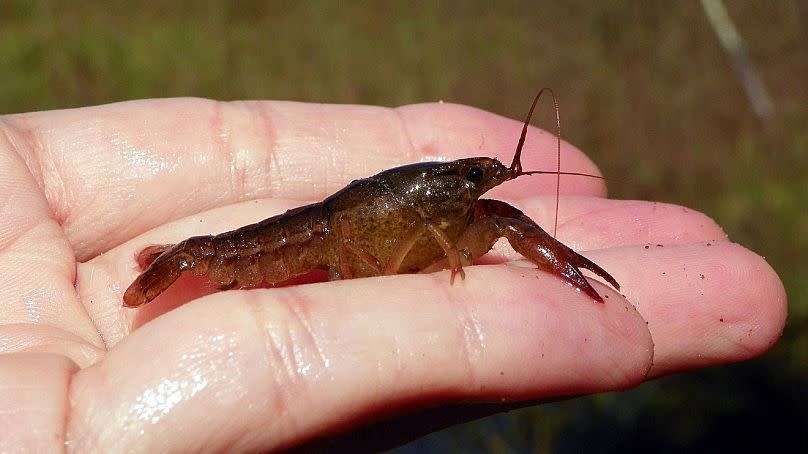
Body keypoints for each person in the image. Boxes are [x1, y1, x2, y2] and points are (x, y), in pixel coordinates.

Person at [0, 98, 786, 452]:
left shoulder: (462, 200)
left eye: (470, 180)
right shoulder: (413, 219)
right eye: (465, 181)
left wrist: (469, 202)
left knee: (501, 219)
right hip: (282, 243)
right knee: (490, 229)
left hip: (333, 236)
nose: (480, 190)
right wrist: (448, 247)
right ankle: (192, 259)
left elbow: (490, 213)